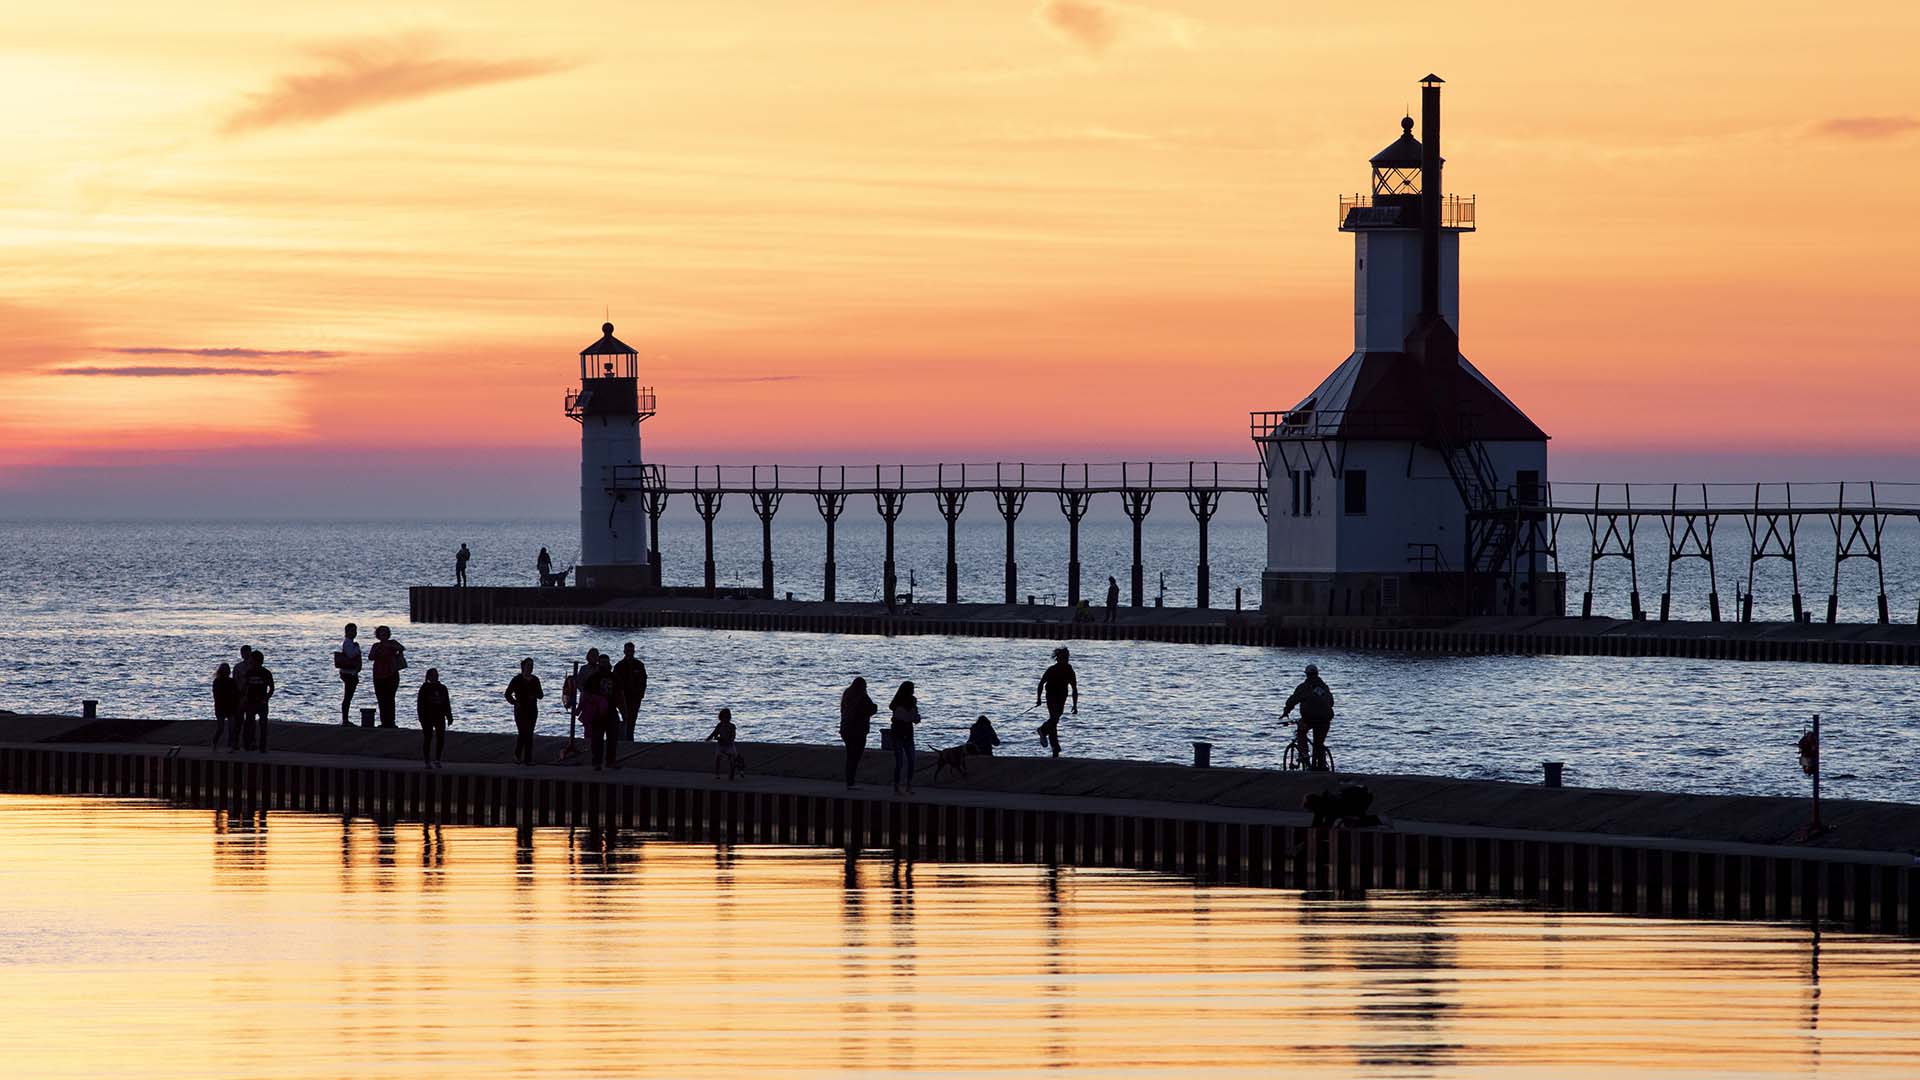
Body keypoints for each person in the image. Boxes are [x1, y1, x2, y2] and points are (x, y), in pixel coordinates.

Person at [1280, 663, 1335, 771]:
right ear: (1317, 674)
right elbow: (1331, 702)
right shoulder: (1324, 687)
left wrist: (1286, 712)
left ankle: (1304, 754)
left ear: (1306, 675)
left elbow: (1293, 700)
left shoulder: (1303, 687)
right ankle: (1322, 766)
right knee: (1318, 743)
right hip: (1325, 719)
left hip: (1309, 718)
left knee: (1301, 732)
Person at [1034, 647, 1078, 757]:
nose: (1066, 660)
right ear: (1058, 659)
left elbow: (1074, 688)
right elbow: (1041, 684)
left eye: (1067, 657)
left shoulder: (1069, 671)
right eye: (1063, 657)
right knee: (1054, 719)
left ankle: (1054, 748)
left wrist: (1075, 705)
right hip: (1051, 697)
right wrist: (1038, 699)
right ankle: (1044, 732)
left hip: (1062, 698)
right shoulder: (1052, 670)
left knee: (1054, 721)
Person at [580, 652, 618, 771]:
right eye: (602, 662)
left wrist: (624, 711)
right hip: (597, 713)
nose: (604, 665)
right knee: (597, 739)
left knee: (612, 738)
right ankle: (597, 761)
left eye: (606, 662)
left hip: (611, 711)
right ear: (599, 663)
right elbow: (586, 693)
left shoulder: (614, 677)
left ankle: (610, 761)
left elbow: (620, 694)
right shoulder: (593, 678)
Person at [839, 676, 877, 789]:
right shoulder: (863, 696)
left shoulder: (847, 695)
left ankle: (849, 781)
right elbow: (872, 709)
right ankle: (850, 782)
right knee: (855, 757)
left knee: (850, 755)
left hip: (846, 730)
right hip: (859, 731)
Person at [504, 658, 544, 766]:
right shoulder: (517, 679)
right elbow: (507, 694)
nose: (530, 667)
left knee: (529, 733)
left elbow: (541, 695)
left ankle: (528, 759)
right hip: (520, 709)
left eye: (532, 665)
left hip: (532, 709)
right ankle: (517, 755)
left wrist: (534, 695)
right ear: (523, 666)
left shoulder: (535, 679)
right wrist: (514, 702)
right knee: (522, 732)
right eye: (528, 665)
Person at [368, 625, 406, 728]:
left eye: (385, 632)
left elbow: (402, 648)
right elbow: (370, 657)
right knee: (381, 699)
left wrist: (391, 647)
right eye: (381, 632)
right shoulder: (376, 646)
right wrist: (379, 648)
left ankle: (391, 721)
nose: (383, 634)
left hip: (391, 674)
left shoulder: (393, 643)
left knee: (390, 698)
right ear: (378, 635)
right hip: (378, 675)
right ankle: (384, 722)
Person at [240, 649, 275, 753]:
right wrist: (242, 699)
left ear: (257, 661)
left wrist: (266, 698)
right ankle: (249, 744)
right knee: (249, 724)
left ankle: (262, 746)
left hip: (261, 703)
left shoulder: (266, 673)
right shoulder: (249, 672)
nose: (250, 662)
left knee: (263, 725)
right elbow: (245, 687)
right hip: (250, 702)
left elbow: (272, 688)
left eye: (252, 660)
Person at [888, 681, 920, 796]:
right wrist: (913, 717)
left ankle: (905, 786)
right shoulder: (900, 703)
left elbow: (914, 717)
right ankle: (901, 786)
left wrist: (914, 717)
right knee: (903, 761)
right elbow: (912, 718)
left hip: (903, 733)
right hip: (900, 734)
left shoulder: (907, 701)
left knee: (907, 761)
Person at [416, 667, 452, 769]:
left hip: (440, 716)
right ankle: (427, 761)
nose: (435, 677)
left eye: (436, 675)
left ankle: (437, 760)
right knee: (428, 738)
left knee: (440, 738)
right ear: (428, 677)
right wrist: (421, 717)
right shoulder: (424, 689)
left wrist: (449, 716)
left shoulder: (443, 688)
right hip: (427, 717)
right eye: (432, 675)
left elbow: (446, 703)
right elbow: (420, 704)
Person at [612, 642, 648, 742]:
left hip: (635, 697)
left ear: (634, 651)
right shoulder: (619, 666)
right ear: (624, 651)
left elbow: (643, 680)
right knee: (625, 717)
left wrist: (641, 694)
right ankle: (625, 738)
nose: (629, 653)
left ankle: (629, 738)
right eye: (628, 651)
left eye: (631, 651)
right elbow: (615, 682)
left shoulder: (639, 665)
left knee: (633, 718)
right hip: (623, 696)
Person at [335, 622, 363, 726]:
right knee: (347, 696)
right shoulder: (348, 643)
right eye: (352, 631)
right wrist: (357, 648)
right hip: (348, 673)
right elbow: (351, 655)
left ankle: (345, 719)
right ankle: (345, 719)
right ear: (347, 632)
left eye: (355, 631)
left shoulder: (350, 642)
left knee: (348, 696)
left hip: (350, 673)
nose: (354, 633)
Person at [706, 708, 743, 780]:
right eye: (726, 716)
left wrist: (730, 740)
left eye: (729, 716)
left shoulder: (732, 726)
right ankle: (717, 773)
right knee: (718, 758)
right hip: (721, 744)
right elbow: (714, 733)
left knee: (734, 758)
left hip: (730, 744)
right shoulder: (719, 725)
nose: (728, 718)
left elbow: (733, 736)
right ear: (721, 717)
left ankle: (738, 771)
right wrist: (710, 738)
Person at [211, 662, 239, 751]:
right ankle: (215, 742)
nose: (227, 672)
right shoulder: (217, 681)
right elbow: (216, 696)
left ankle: (232, 745)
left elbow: (236, 693)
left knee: (232, 727)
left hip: (230, 707)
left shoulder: (231, 681)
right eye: (225, 670)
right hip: (221, 707)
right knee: (221, 728)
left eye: (228, 670)